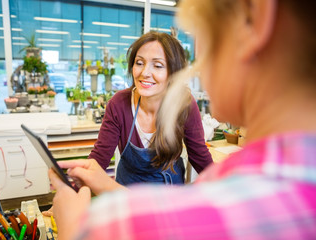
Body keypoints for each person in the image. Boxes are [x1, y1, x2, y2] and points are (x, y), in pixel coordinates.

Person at [49, 0, 316, 239]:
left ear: (252, 18)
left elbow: (200, 160)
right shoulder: (243, 178)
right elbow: (99, 159)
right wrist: (84, 180)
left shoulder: (121, 223)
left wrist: (73, 226)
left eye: (203, 36)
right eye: (139, 63)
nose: (198, 67)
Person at [88, 31, 212, 185]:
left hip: (169, 192)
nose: (145, 73)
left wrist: (229, 188)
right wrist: (75, 186)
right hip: (126, 192)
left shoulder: (184, 104)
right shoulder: (119, 104)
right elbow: (99, 158)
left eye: (158, 65)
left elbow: (199, 156)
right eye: (139, 63)